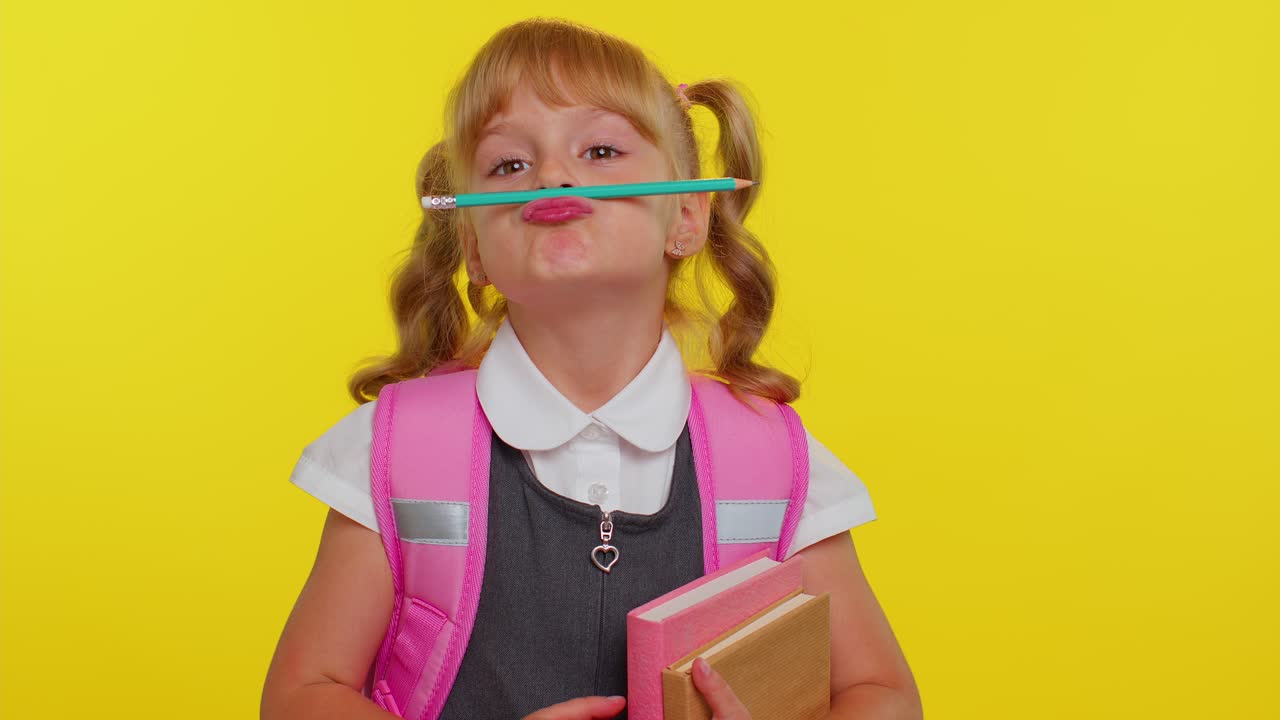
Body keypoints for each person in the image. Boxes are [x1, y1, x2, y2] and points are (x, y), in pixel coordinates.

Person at [261, 16, 922, 720]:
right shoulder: (390, 456)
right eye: (509, 165)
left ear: (687, 218)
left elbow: (881, 694)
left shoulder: (776, 463)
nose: (552, 175)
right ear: (474, 248)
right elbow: (302, 697)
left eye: (602, 149)